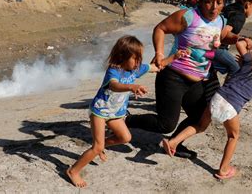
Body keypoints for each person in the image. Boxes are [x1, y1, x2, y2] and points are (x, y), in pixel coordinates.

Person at [126, 0, 252, 159]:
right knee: (165, 124)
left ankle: (176, 143)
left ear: (224, 4)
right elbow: (160, 29)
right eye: (209, 1)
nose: (214, 7)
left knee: (201, 118)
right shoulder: (188, 16)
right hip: (173, 76)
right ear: (201, 1)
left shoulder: (221, 20)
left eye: (219, 2)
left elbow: (223, 36)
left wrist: (239, 38)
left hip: (197, 80)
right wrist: (159, 53)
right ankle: (127, 120)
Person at [66, 35, 187, 188]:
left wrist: (175, 57)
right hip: (100, 111)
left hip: (115, 113)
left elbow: (157, 66)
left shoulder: (135, 69)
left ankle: (101, 146)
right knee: (97, 146)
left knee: (125, 137)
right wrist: (132, 87)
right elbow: (114, 86)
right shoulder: (114, 71)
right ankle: (73, 171)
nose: (138, 62)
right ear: (122, 56)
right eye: (135, 58)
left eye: (140, 58)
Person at [162, 45, 252, 180]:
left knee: (200, 126)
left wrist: (249, 51)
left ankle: (173, 142)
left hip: (217, 96)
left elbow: (243, 45)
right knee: (233, 136)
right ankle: (223, 169)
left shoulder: (248, 62)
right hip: (231, 106)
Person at [213, 0, 252, 76]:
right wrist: (241, 39)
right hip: (216, 48)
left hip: (206, 41)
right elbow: (223, 33)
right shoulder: (240, 16)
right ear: (247, 5)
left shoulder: (230, 7)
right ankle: (228, 89)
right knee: (236, 68)